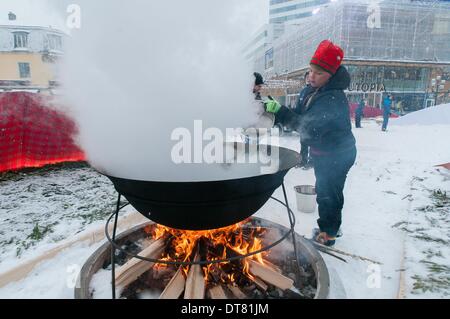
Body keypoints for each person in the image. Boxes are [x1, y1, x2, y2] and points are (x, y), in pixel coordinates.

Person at [265, 40, 356, 246]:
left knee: (327, 192)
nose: (311, 76)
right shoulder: (311, 90)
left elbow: (308, 127)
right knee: (326, 189)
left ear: (331, 76)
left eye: (318, 73)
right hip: (324, 152)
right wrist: (278, 110)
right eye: (310, 70)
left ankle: (328, 234)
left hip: (338, 154)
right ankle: (331, 225)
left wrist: (280, 112)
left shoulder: (333, 99)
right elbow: (298, 115)